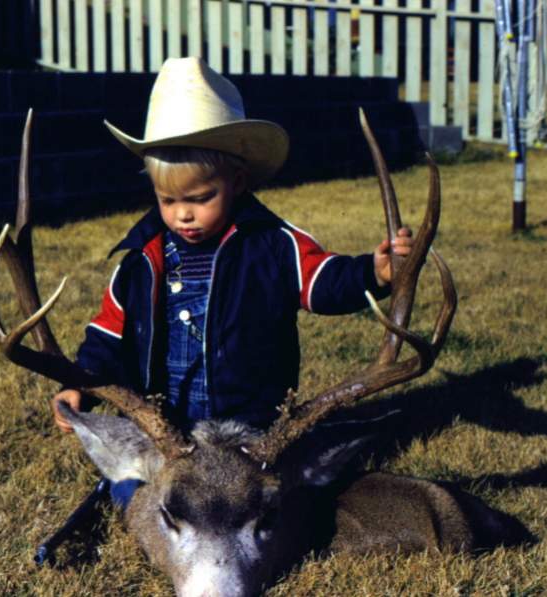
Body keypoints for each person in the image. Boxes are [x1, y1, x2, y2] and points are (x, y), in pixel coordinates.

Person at [51, 56, 413, 464]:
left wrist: (374, 272)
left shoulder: (272, 245)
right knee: (133, 492)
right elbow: (107, 336)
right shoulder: (142, 261)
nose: (182, 214)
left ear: (236, 182)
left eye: (200, 198)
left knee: (269, 490)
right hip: (164, 428)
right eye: (167, 200)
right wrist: (76, 382)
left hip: (249, 428)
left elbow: (324, 281)